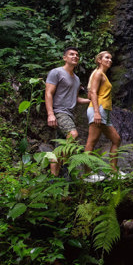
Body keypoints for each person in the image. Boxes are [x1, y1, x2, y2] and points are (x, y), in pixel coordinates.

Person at [45, 46, 90, 176]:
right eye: (71, 54)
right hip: (59, 111)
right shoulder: (56, 72)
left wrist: (91, 101)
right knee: (73, 134)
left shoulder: (76, 79)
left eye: (76, 55)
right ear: (65, 57)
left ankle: (54, 178)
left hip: (70, 114)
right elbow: (48, 93)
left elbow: (75, 98)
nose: (75, 56)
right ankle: (65, 165)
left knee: (59, 147)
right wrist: (50, 114)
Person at [84, 51, 123, 181]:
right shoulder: (98, 74)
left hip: (103, 111)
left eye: (111, 58)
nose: (110, 60)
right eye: (107, 57)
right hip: (98, 110)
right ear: (99, 60)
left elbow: (90, 93)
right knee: (91, 142)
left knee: (116, 139)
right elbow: (93, 93)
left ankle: (113, 172)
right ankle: (87, 174)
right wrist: (96, 112)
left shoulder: (103, 75)